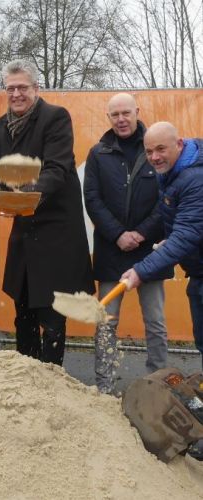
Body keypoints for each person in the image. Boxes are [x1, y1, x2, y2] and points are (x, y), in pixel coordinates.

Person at [0, 59, 94, 365]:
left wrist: (25, 194)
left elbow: (57, 169)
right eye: (11, 88)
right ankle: (26, 379)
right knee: (23, 312)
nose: (17, 94)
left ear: (36, 88)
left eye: (23, 87)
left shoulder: (56, 118)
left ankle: (52, 381)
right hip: (24, 233)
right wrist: (5, 196)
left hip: (56, 233)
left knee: (51, 317)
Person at [83, 93, 172, 394]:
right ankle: (104, 387)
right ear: (108, 118)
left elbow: (167, 199)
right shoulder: (98, 153)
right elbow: (92, 200)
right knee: (105, 323)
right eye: (114, 114)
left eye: (126, 113)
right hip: (111, 251)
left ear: (137, 112)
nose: (121, 119)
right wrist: (118, 234)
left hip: (151, 254)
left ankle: (157, 387)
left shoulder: (155, 148)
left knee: (156, 323)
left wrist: (142, 234)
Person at [122, 122, 203, 369]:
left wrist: (140, 271)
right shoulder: (175, 172)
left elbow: (188, 231)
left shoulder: (194, 177)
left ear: (178, 144)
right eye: (149, 152)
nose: (154, 157)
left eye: (161, 149)